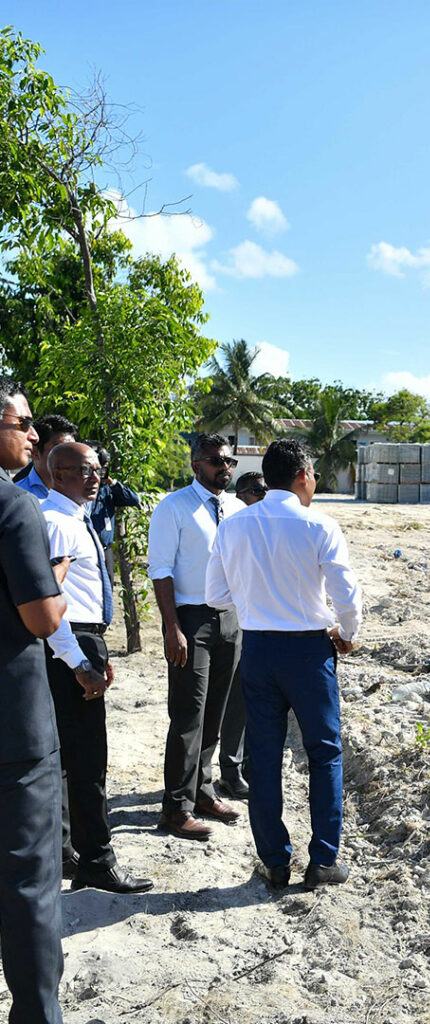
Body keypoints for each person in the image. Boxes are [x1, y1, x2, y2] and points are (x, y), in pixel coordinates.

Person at [206, 439, 362, 891]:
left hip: (258, 649)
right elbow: (346, 593)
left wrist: (257, 601)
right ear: (303, 476)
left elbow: (216, 595)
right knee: (325, 753)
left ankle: (275, 862)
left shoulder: (234, 525)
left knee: (264, 756)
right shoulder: (320, 525)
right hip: (308, 652)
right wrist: (347, 633)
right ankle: (323, 861)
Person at [41, 442, 153, 895]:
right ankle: (96, 862)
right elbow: (49, 602)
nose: (96, 477)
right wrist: (79, 660)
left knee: (75, 759)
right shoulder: (56, 523)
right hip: (70, 641)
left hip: (83, 640)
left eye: (97, 470)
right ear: (58, 474)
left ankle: (72, 852)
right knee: (87, 762)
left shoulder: (74, 517)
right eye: (84, 470)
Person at [0, 377, 67, 1023]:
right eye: (22, 424)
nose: (33, 435)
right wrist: (58, 581)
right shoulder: (14, 506)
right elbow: (42, 619)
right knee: (28, 887)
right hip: (13, 735)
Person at [147, 433, 244, 840]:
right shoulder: (174, 507)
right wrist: (172, 628)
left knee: (215, 714)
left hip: (230, 619)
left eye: (229, 461)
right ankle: (175, 809)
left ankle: (202, 792)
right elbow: (160, 569)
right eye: (217, 461)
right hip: (191, 620)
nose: (225, 467)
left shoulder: (236, 508)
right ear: (196, 465)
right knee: (188, 715)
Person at [213, 471, 267, 801]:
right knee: (235, 699)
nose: (263, 497)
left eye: (267, 491)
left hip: (263, 625)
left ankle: (247, 766)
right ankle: (229, 770)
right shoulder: (233, 528)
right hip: (234, 619)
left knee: (254, 700)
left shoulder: (267, 528)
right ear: (241, 495)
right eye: (257, 491)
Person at [86, 442, 141, 583]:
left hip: (106, 550)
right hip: (87, 550)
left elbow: (133, 499)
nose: (100, 473)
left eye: (104, 469)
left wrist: (112, 483)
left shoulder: (107, 489)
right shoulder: (82, 489)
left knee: (108, 587)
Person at [14, 413, 77, 499]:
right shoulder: (17, 496)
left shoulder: (82, 493)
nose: (69, 457)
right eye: (60, 449)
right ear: (35, 452)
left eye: (72, 450)